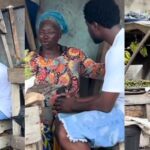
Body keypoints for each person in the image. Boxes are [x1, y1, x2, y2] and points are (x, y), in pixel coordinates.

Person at [25, 10, 105, 150]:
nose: (44, 36)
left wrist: (116, 61)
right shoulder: (31, 59)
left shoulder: (73, 55)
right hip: (39, 117)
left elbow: (96, 70)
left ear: (60, 34)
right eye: (42, 32)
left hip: (69, 113)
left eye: (50, 32)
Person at [53, 0, 124, 149]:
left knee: (64, 130)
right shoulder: (121, 43)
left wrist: (74, 104)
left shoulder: (116, 52)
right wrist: (75, 104)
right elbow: (109, 97)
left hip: (122, 115)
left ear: (95, 26)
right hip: (117, 107)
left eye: (52, 31)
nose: (47, 36)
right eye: (43, 31)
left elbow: (105, 104)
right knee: (62, 119)